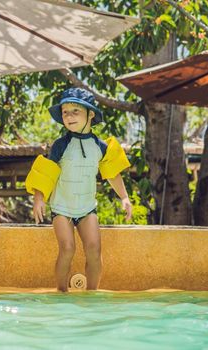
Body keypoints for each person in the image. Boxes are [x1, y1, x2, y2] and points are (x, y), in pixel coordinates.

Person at [25, 88, 132, 292]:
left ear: (90, 114)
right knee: (67, 249)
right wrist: (39, 198)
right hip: (62, 208)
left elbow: (112, 174)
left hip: (86, 208)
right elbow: (45, 173)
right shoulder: (60, 145)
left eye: (75, 111)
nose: (69, 116)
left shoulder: (100, 146)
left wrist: (124, 197)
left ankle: (92, 292)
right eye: (65, 112)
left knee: (94, 249)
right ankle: (61, 291)